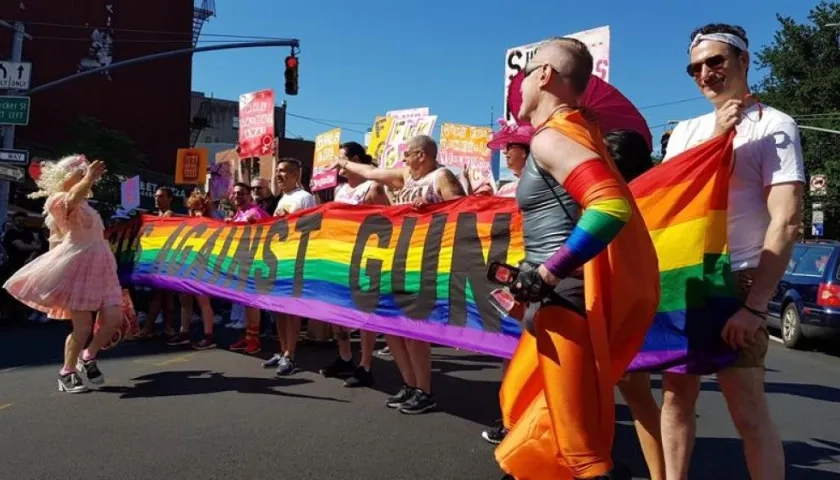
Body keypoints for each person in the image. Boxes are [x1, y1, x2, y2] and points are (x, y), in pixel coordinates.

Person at [495, 38, 659, 480]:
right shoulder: (570, 132)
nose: (519, 84)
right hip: (553, 301)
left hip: (564, 302)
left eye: (524, 73)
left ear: (545, 75)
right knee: (523, 410)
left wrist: (548, 272)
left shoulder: (553, 138)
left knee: (579, 450)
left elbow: (610, 207)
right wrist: (530, 277)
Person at [658, 24, 802, 480]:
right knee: (676, 399)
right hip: (688, 278)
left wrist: (755, 306)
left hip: (738, 276)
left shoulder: (774, 125)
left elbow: (786, 220)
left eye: (716, 61)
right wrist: (715, 138)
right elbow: (670, 201)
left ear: (743, 60)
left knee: (747, 412)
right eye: (695, 68)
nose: (705, 73)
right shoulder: (685, 130)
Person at [331, 134, 466, 414]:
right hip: (398, 259)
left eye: (407, 153)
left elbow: (465, 211)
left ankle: (425, 391)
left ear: (422, 155)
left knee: (414, 331)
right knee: (391, 326)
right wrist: (345, 163)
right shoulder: (405, 176)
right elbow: (371, 172)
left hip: (425, 262)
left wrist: (433, 208)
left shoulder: (441, 177)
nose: (403, 158)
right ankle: (409, 384)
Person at [3, 155, 123, 393]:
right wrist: (89, 178)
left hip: (102, 267)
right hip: (80, 268)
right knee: (83, 327)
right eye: (79, 173)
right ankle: (67, 372)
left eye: (84, 173)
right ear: (65, 177)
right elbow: (72, 200)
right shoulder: (57, 200)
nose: (83, 176)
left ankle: (88, 356)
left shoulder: (88, 206)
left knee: (114, 319)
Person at [604, 129, 664, 480]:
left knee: (612, 398)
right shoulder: (652, 200)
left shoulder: (612, 202)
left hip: (615, 311)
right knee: (638, 400)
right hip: (627, 309)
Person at [479, 121, 534, 444]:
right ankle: (511, 415)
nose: (505, 153)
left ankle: (528, 421)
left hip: (532, 276)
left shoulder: (548, 184)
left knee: (531, 349)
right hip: (506, 277)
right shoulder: (504, 190)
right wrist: (483, 203)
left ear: (525, 151)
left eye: (510, 147)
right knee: (507, 348)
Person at [317, 141, 390, 388]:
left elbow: (389, 222)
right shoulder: (340, 191)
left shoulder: (372, 187)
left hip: (366, 259)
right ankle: (345, 356)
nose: (336, 165)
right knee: (337, 309)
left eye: (341, 159)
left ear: (355, 160)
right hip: (341, 257)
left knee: (365, 312)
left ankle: (365, 365)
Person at [260, 158, 318, 376]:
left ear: (295, 175)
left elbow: (312, 228)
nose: (279, 175)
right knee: (278, 309)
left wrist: (291, 222)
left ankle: (290, 355)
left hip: (295, 261)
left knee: (291, 310)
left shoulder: (305, 198)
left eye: (283, 171)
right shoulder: (283, 198)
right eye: (277, 171)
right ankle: (282, 349)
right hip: (279, 260)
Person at [227, 182, 272, 355]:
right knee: (246, 302)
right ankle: (248, 336)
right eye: (235, 193)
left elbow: (267, 232)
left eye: (241, 193)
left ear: (249, 195)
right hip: (241, 262)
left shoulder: (254, 212)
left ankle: (254, 339)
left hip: (255, 262)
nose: (237, 196)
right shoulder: (239, 213)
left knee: (252, 302)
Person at [177, 189, 219, 350]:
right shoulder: (189, 223)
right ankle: (184, 332)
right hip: (188, 265)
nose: (194, 212)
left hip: (202, 266)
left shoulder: (210, 223)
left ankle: (209, 335)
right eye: (191, 208)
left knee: (203, 301)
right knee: (185, 300)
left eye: (197, 208)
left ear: (204, 207)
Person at [136, 187, 176, 341]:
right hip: (157, 260)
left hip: (167, 261)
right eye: (156, 196)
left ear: (169, 199)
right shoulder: (155, 216)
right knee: (163, 295)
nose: (157, 199)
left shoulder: (170, 215)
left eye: (161, 196)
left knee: (161, 295)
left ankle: (150, 328)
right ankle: (167, 327)